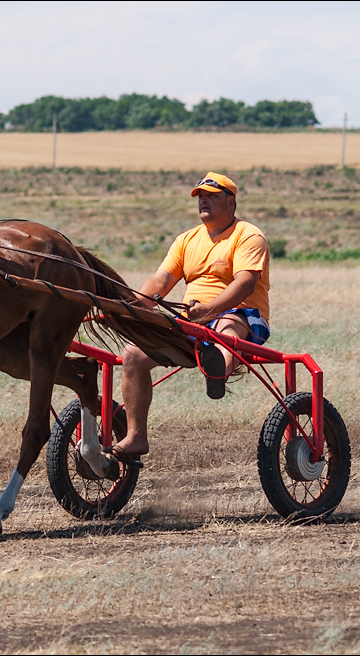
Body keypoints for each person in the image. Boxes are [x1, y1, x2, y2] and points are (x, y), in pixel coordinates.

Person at [113, 172, 271, 463]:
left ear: (231, 202)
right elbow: (160, 282)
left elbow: (245, 283)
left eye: (211, 196)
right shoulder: (186, 240)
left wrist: (209, 310)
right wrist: (132, 306)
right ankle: (135, 437)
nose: (203, 201)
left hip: (242, 316)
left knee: (226, 327)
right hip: (193, 323)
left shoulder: (248, 235)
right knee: (133, 354)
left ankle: (218, 370)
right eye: (200, 196)